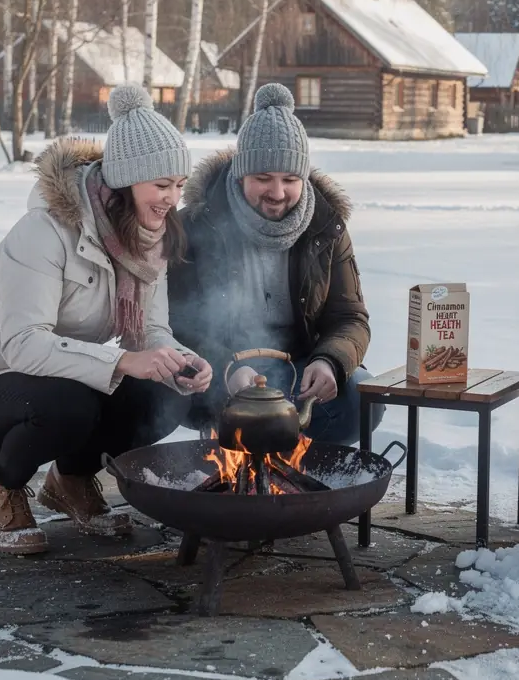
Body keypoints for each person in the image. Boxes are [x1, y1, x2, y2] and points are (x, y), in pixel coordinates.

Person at [0, 85, 213, 555]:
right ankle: (0, 487)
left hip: (68, 379)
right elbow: (23, 343)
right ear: (125, 181)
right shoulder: (43, 233)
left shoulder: (148, 238)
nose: (172, 199)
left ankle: (70, 480)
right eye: (162, 185)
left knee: (163, 394)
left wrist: (178, 359)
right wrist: (122, 363)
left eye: (179, 186)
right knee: (71, 403)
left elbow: (151, 331)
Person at [155, 82, 383, 442]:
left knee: (359, 394)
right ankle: (228, 446)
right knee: (169, 389)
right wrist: (227, 368)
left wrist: (330, 362)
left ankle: (298, 465)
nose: (277, 193)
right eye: (263, 178)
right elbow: (176, 321)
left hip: (299, 369)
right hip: (219, 371)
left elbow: (350, 317)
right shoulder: (196, 225)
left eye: (290, 179)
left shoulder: (326, 228)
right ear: (240, 173)